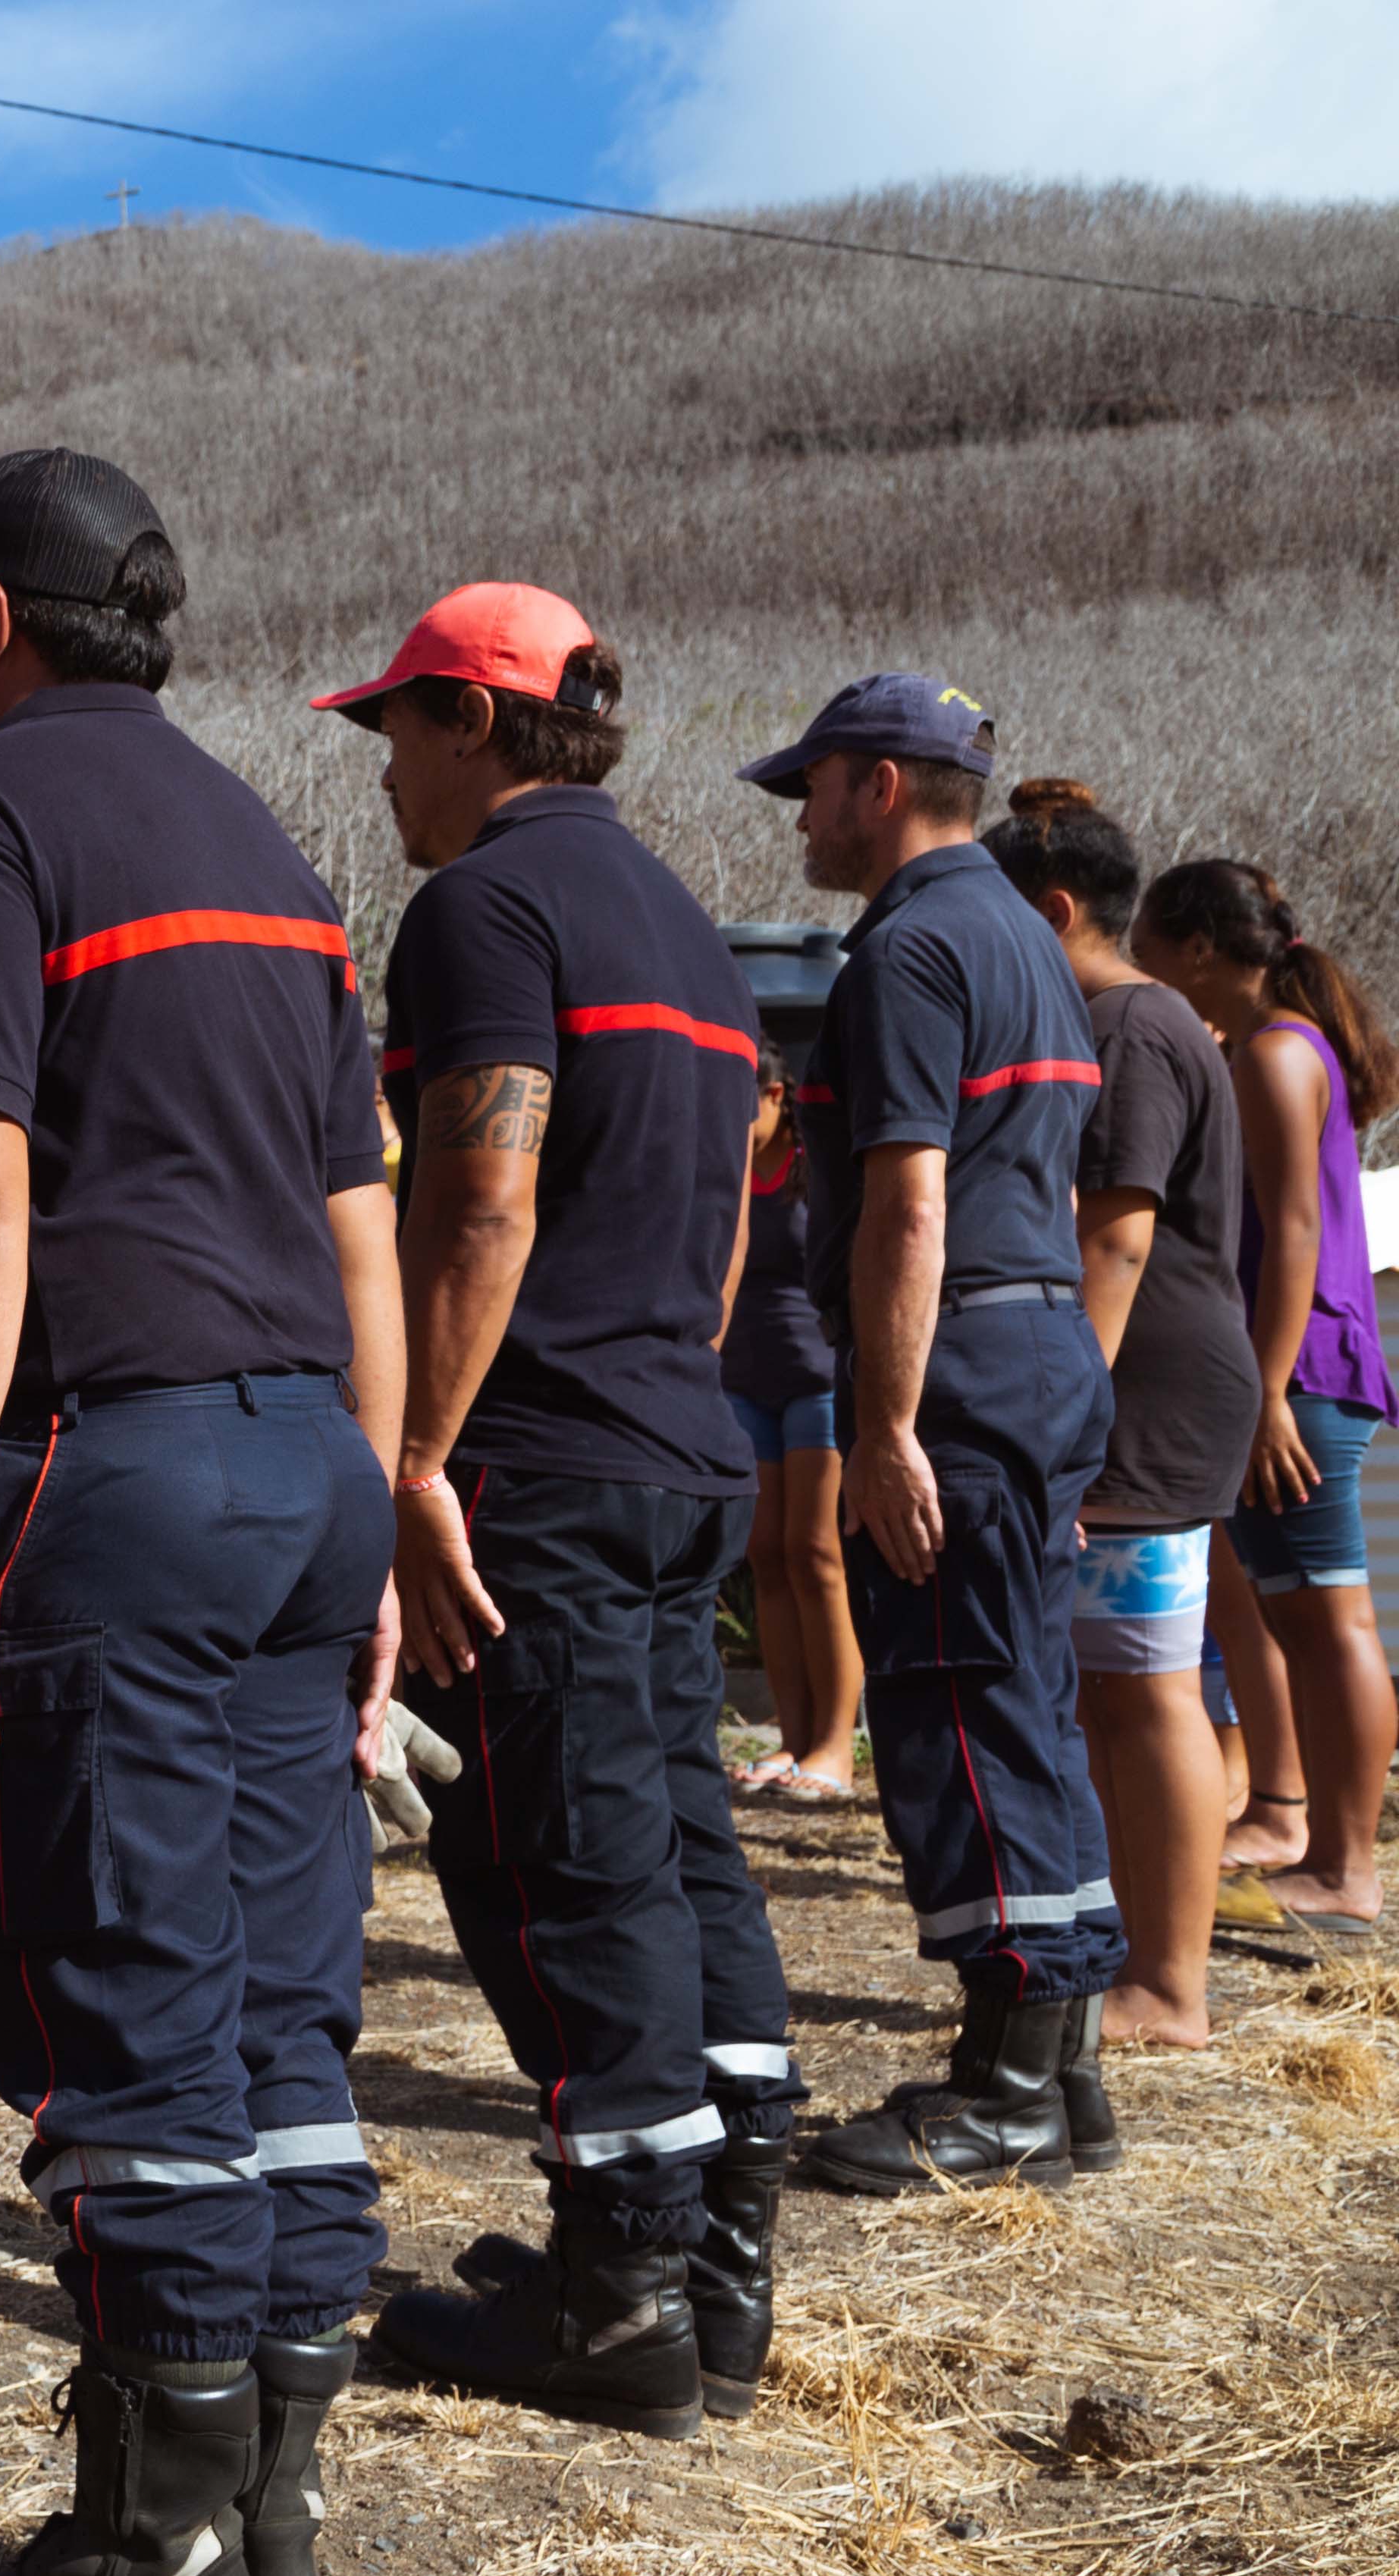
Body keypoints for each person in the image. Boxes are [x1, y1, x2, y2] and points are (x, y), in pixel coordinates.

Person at [0, 448, 402, 2576]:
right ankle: (267, 2518)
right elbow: (359, 1207)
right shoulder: (271, 850)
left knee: (134, 2007)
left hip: (125, 1467)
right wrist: (377, 1490)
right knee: (280, 2012)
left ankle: (152, 2564)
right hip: (302, 1460)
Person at [313, 583, 798, 2437]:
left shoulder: (483, 908)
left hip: (542, 1460)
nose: (381, 778)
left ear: (464, 720)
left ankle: (621, 2305)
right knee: (676, 1843)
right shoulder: (678, 916)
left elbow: (481, 1188)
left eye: (390, 734)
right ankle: (710, 2274)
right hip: (674, 1437)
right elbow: (743, 1183)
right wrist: (665, 1353)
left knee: (554, 1863)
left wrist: (413, 1456)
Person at [749, 678, 1124, 2195]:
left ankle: (1008, 2085)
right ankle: (1068, 2066)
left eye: (818, 786)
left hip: (959, 1357)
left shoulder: (909, 951)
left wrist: (887, 1426)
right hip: (1031, 1344)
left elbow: (908, 1198)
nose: (805, 813)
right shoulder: (1028, 941)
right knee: (1026, 1696)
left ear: (884, 785)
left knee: (963, 1712)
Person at [987, 785, 1251, 2078]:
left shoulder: (1134, 1023)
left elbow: (1117, 1230)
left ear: (1050, 911)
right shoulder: (1098, 1018)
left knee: (1149, 1691)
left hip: (1141, 1401)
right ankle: (1133, 1951)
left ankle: (1172, 1981)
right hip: (1116, 1396)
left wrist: (1065, 1414)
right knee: (1106, 1687)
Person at [1148, 857, 1395, 1945]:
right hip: (1289, 1371)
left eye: (1153, 942)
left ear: (1200, 949)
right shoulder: (1267, 1047)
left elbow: (1293, 1231)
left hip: (1303, 1373)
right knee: (1303, 1609)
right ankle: (1324, 1851)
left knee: (1331, 1616)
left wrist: (1266, 1392)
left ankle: (1346, 1866)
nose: (1143, 962)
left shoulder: (1278, 1053)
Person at [725, 1046, 865, 1806]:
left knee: (818, 1554)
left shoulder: (822, 1169)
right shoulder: (722, 1169)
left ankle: (837, 1746)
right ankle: (794, 1736)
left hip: (818, 1380)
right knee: (767, 1557)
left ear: (777, 1095)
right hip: (744, 1382)